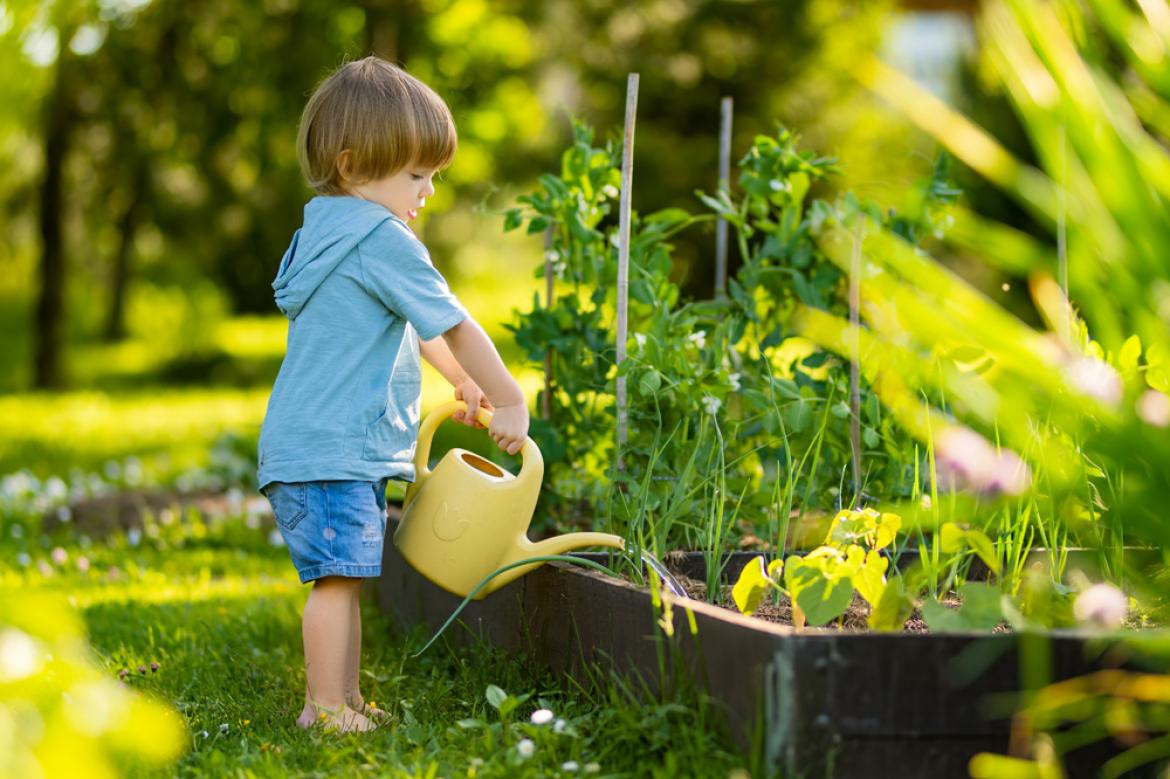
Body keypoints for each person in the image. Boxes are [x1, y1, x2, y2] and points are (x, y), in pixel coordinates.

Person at [256, 56, 529, 733]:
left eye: (432, 174)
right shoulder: (383, 237)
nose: (428, 190)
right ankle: (321, 706)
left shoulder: (323, 229)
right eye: (415, 174)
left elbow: (408, 324)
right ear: (351, 166)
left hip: (314, 442)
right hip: (334, 447)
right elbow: (457, 323)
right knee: (337, 581)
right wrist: (508, 395)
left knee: (343, 572)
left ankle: (344, 700)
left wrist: (458, 381)